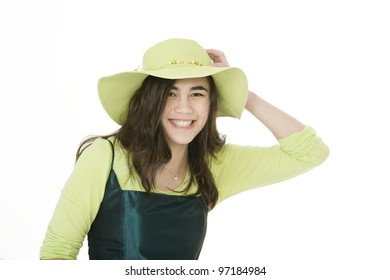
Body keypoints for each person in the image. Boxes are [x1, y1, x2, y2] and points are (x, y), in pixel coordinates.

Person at [40, 38, 329, 260]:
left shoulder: (213, 166)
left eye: (198, 93)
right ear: (150, 101)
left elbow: (310, 152)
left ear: (211, 102)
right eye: (170, 93)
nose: (184, 107)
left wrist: (246, 97)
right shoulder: (106, 155)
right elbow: (58, 252)